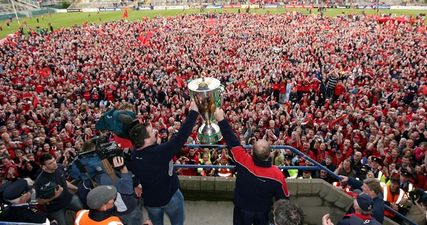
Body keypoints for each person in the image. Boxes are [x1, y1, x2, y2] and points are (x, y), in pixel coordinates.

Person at [126, 101, 199, 225]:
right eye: (152, 131)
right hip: (171, 197)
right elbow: (181, 137)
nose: (155, 131)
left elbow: (126, 171)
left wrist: (135, 182)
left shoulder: (132, 155)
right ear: (146, 140)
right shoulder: (160, 152)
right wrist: (193, 112)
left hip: (151, 201)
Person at [214, 108, 289, 225]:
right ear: (270, 154)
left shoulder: (244, 161)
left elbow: (232, 140)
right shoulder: (277, 175)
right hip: (263, 213)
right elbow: (284, 200)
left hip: (242, 210)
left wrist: (221, 120)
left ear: (252, 153)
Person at [35, 153, 83, 225]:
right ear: (44, 167)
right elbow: (39, 201)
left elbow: (64, 181)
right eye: (50, 163)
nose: (54, 163)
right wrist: (54, 196)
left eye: (54, 160)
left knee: (84, 212)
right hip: (56, 208)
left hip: (69, 199)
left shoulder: (59, 167)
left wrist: (76, 188)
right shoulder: (40, 181)